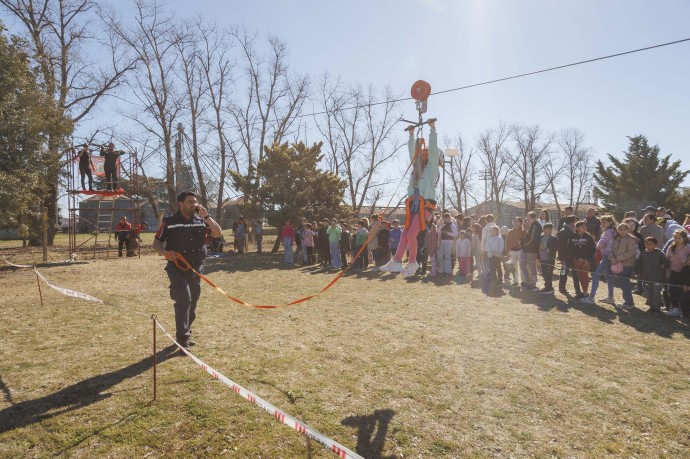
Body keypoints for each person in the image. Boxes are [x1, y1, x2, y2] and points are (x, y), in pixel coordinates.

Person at [153, 191, 221, 351]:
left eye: (195, 201)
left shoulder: (201, 220)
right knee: (184, 299)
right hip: (177, 268)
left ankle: (186, 331)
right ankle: (183, 338)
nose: (194, 204)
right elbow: (156, 243)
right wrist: (165, 253)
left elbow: (218, 234)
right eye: (190, 201)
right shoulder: (169, 222)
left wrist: (207, 217)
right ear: (181, 204)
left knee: (193, 301)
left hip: (196, 268)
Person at [380, 119, 440, 276]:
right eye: (422, 156)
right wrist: (412, 136)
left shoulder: (431, 171)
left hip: (425, 207)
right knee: (405, 233)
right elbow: (412, 155)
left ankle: (413, 262)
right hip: (413, 206)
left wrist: (432, 130)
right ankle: (396, 261)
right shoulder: (416, 171)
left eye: (425, 156)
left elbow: (433, 152)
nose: (423, 158)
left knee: (412, 234)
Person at [582, 215, 617, 304]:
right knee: (609, 277)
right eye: (601, 222)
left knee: (595, 276)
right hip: (610, 255)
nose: (602, 224)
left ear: (610, 222)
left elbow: (599, 245)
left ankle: (591, 298)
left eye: (604, 222)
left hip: (606, 256)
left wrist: (598, 243)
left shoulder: (608, 231)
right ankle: (610, 297)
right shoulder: (613, 230)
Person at [609, 222, 639, 309]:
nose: (622, 231)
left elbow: (631, 253)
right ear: (617, 230)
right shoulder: (616, 239)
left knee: (625, 283)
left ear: (628, 230)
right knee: (621, 283)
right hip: (617, 264)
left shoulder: (631, 239)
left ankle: (629, 303)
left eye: (624, 229)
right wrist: (612, 258)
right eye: (620, 229)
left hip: (627, 264)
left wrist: (618, 258)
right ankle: (627, 301)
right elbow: (612, 251)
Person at [635, 237, 667, 313]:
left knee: (656, 293)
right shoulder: (643, 253)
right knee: (648, 293)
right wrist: (637, 272)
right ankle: (651, 306)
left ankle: (657, 308)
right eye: (647, 244)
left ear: (655, 245)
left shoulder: (660, 253)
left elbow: (665, 261)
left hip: (657, 278)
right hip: (646, 278)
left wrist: (663, 265)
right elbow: (639, 264)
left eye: (651, 244)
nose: (648, 246)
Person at [664, 230, 690, 317]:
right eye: (675, 238)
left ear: (684, 238)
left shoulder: (688, 248)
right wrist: (668, 272)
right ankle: (674, 308)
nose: (677, 240)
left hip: (685, 274)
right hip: (673, 272)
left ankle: (682, 309)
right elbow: (667, 259)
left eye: (679, 238)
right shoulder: (671, 248)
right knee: (671, 290)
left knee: (682, 291)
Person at [557, 215, 582, 297]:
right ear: (571, 222)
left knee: (575, 273)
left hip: (573, 256)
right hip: (566, 257)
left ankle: (577, 291)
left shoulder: (572, 230)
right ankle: (562, 288)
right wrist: (562, 258)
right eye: (575, 221)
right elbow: (560, 247)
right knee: (564, 272)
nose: (576, 223)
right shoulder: (564, 231)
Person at [570, 221, 596, 299]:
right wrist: (578, 257)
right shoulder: (572, 236)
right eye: (582, 227)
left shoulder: (588, 237)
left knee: (584, 275)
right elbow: (571, 248)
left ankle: (585, 292)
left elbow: (593, 250)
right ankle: (580, 292)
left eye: (585, 226)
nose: (584, 228)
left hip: (586, 260)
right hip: (576, 259)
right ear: (577, 228)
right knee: (579, 275)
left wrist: (587, 259)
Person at [520, 211, 542, 291]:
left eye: (529, 217)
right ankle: (528, 282)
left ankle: (533, 285)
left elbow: (533, 239)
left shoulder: (536, 225)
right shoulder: (532, 225)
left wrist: (523, 244)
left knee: (532, 268)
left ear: (534, 217)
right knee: (522, 264)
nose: (527, 219)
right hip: (526, 249)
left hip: (532, 250)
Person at [538, 223, 558, 294]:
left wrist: (550, 249)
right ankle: (547, 286)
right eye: (547, 229)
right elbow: (537, 246)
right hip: (542, 258)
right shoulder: (541, 237)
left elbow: (557, 247)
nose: (549, 231)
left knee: (549, 273)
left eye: (550, 229)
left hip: (550, 258)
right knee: (544, 273)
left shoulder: (554, 238)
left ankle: (549, 288)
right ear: (544, 230)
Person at [437, 212, 458, 276]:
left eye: (446, 218)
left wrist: (447, 233)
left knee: (447, 257)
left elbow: (456, 234)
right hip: (442, 241)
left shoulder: (452, 225)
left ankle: (448, 272)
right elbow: (439, 233)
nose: (445, 219)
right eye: (444, 218)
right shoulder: (443, 225)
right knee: (440, 256)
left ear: (449, 218)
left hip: (449, 242)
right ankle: (443, 270)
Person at [506, 217, 524, 287]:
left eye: (518, 221)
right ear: (513, 222)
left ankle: (523, 281)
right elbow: (507, 242)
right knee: (514, 267)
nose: (516, 223)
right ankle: (516, 281)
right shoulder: (510, 232)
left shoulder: (523, 231)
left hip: (520, 251)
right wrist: (507, 251)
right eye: (515, 221)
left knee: (522, 267)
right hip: (512, 251)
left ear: (520, 223)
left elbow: (524, 241)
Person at [480, 214, 499, 279]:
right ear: (493, 219)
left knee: (488, 262)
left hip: (487, 248)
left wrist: (482, 249)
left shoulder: (485, 229)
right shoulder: (497, 227)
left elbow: (483, 240)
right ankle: (494, 275)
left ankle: (488, 274)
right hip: (496, 247)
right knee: (495, 262)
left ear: (486, 220)